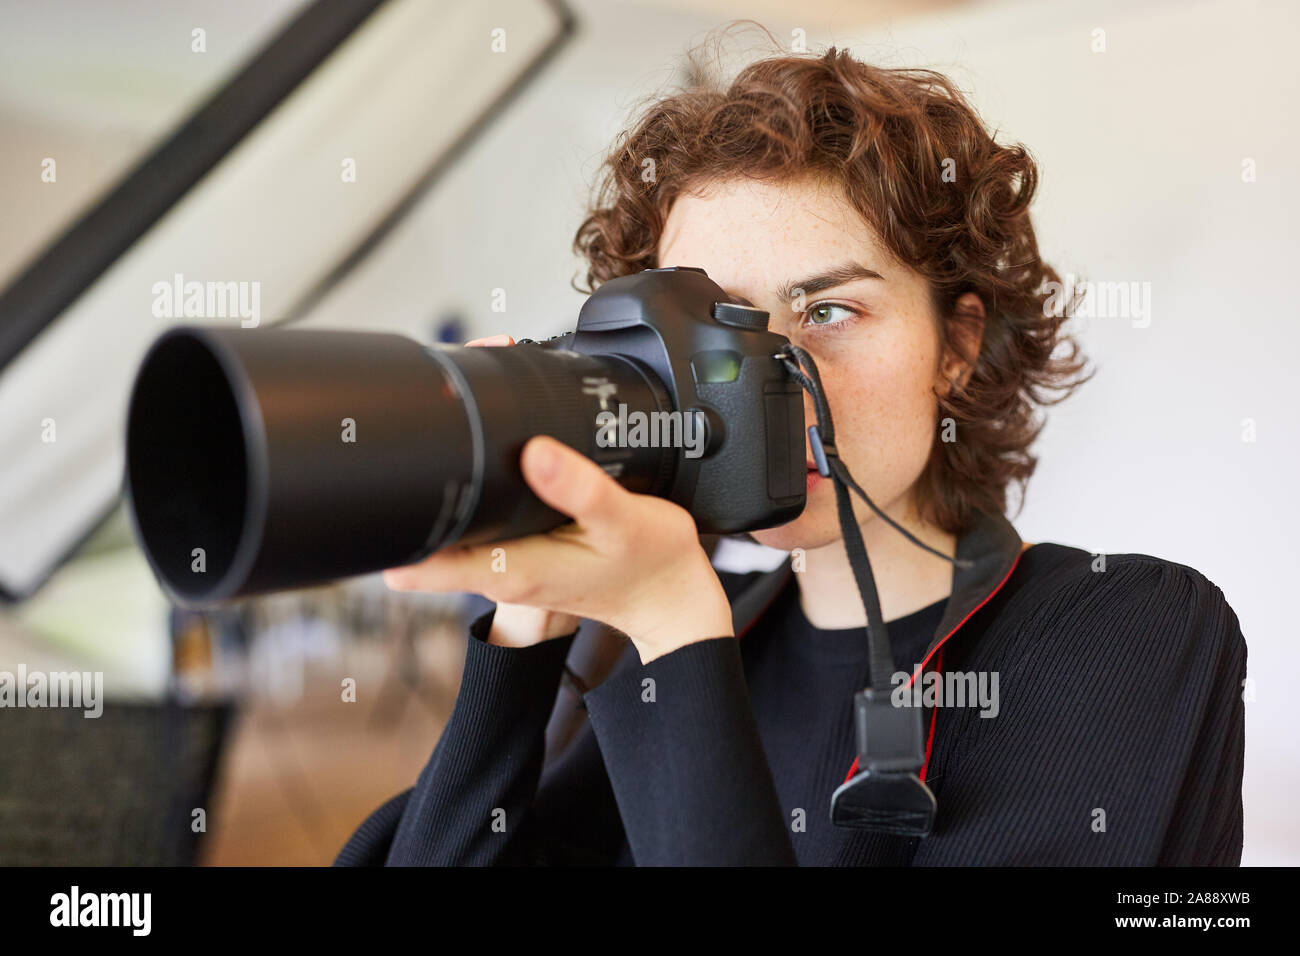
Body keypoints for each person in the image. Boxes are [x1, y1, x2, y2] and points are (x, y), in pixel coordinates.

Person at [335, 46, 1246, 866]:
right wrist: (524, 626)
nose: (761, 381)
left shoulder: (1131, 630)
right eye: (716, 331)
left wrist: (670, 624)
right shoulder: (688, 633)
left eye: (828, 312)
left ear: (958, 347)